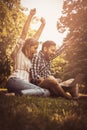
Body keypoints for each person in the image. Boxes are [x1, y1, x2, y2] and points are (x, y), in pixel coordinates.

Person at [6, 8, 50, 97]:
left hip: (24, 85)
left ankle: (16, 94)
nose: (36, 50)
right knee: (42, 91)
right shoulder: (18, 53)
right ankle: (20, 93)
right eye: (35, 48)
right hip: (15, 80)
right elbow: (24, 34)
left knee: (47, 92)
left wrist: (43, 24)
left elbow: (35, 39)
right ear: (29, 46)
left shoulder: (30, 59)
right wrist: (30, 16)